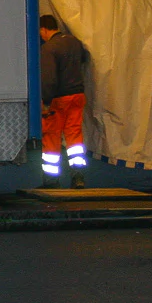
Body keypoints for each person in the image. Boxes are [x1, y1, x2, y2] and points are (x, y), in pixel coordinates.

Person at [39, 14, 88, 188]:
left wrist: (45, 101)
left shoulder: (48, 48)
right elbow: (84, 59)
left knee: (51, 138)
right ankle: (78, 177)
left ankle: (51, 181)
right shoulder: (74, 42)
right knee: (74, 137)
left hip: (58, 99)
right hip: (77, 96)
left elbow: (49, 79)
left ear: (44, 29)